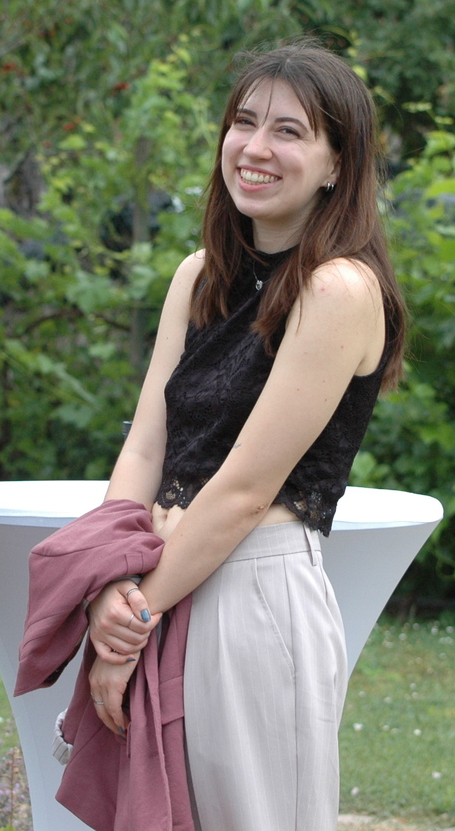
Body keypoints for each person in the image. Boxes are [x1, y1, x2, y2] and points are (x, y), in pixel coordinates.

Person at [84, 41, 407, 831]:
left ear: (337, 165)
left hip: (252, 594)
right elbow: (146, 447)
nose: (256, 148)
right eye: (244, 122)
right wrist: (110, 577)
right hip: (158, 576)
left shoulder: (339, 289)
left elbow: (244, 491)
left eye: (289, 131)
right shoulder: (199, 275)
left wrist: (131, 622)